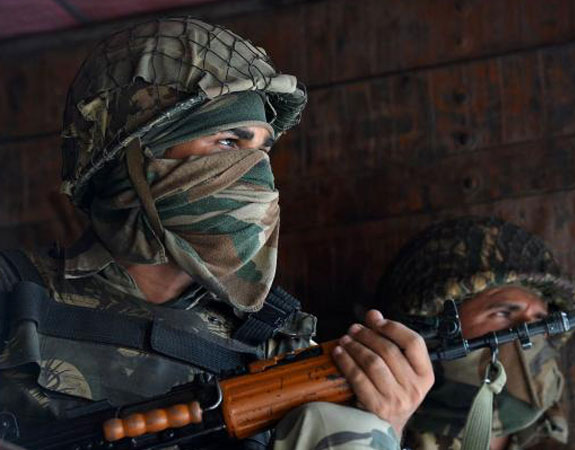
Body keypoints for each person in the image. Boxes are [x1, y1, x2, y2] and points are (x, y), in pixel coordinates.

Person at [0, 17, 433, 449]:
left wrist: (385, 426)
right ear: (134, 153)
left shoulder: (280, 346)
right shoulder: (13, 295)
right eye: (229, 143)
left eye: (262, 150)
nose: (257, 171)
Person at [374, 217, 575, 450]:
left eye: (540, 320)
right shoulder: (374, 422)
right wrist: (387, 429)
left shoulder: (545, 431)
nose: (531, 333)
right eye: (503, 313)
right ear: (433, 329)